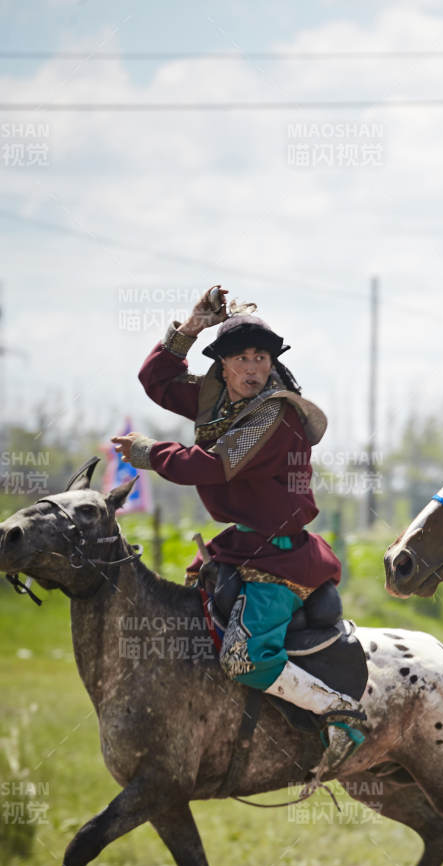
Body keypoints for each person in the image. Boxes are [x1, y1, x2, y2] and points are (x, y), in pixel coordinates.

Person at [112, 286, 363, 797]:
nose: (253, 367)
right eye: (242, 357)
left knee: (246, 659)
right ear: (223, 365)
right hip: (237, 548)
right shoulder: (219, 400)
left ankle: (339, 712)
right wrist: (190, 328)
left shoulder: (276, 415)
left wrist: (146, 451)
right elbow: (155, 380)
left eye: (262, 357)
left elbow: (208, 466)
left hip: (280, 558)